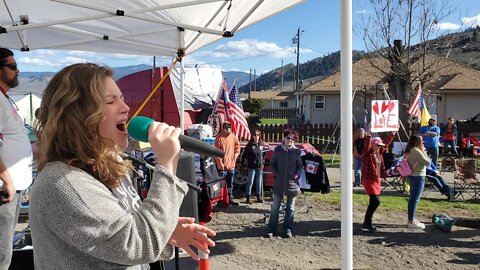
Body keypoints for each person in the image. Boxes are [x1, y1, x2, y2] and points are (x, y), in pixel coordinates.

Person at [29, 63, 215, 269]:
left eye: (122, 98)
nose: (126, 108)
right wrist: (167, 165)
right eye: (110, 101)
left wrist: (165, 231)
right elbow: (139, 245)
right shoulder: (63, 183)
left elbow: (118, 236)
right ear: (78, 117)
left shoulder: (107, 163)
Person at [0, 48, 33, 270]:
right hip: (5, 188)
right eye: (12, 66)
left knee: (6, 247)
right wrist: (7, 181)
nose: (17, 70)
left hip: (14, 187)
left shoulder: (5, 99)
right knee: (2, 249)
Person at [266, 128, 303, 238]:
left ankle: (287, 229)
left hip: (292, 184)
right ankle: (271, 229)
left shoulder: (297, 151)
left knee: (290, 208)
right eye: (288, 138)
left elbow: (300, 167)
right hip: (279, 184)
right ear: (284, 138)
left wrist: (297, 175)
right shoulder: (277, 150)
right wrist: (276, 173)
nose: (290, 140)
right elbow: (272, 164)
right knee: (275, 208)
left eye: (293, 139)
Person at [360, 125, 396, 232]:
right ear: (372, 144)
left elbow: (386, 143)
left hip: (376, 179)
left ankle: (367, 222)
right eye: (377, 145)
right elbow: (366, 143)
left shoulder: (379, 152)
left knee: (373, 201)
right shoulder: (367, 153)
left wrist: (393, 133)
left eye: (380, 145)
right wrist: (369, 132)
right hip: (368, 179)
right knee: (376, 201)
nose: (379, 147)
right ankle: (367, 222)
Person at [404, 135, 431, 230]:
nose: (423, 142)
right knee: (415, 199)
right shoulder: (416, 151)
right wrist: (424, 151)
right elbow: (427, 163)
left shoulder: (410, 149)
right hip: (418, 176)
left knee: (412, 198)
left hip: (411, 175)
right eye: (422, 141)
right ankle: (411, 221)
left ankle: (411, 219)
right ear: (417, 142)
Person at [214, 120, 241, 206]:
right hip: (222, 167)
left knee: (230, 185)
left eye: (229, 128)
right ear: (223, 128)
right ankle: (220, 201)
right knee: (221, 186)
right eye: (226, 128)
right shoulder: (219, 137)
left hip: (231, 166)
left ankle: (230, 199)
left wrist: (236, 155)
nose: (228, 129)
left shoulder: (233, 137)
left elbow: (238, 147)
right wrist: (220, 163)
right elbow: (216, 152)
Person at [241, 128, 266, 204]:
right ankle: (248, 197)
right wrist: (244, 163)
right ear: (252, 136)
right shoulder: (250, 145)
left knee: (259, 182)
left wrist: (263, 163)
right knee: (250, 181)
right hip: (252, 166)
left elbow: (264, 155)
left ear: (259, 136)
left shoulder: (261, 144)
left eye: (257, 135)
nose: (256, 136)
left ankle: (258, 197)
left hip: (259, 166)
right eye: (254, 135)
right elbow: (244, 155)